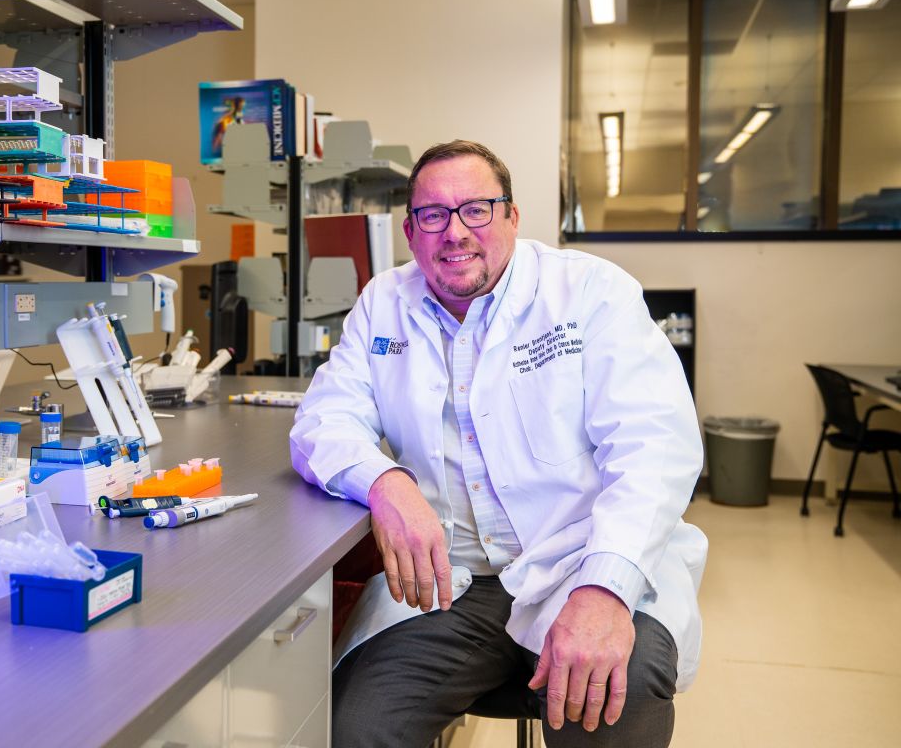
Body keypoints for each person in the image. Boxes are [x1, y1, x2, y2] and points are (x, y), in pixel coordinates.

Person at [290, 140, 706, 747]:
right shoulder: (385, 301)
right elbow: (321, 421)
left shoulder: (588, 291)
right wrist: (386, 483)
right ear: (410, 230)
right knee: (356, 726)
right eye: (433, 215)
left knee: (618, 696)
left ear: (512, 215)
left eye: (477, 209)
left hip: (585, 561)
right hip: (450, 583)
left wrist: (604, 587)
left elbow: (656, 448)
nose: (454, 231)